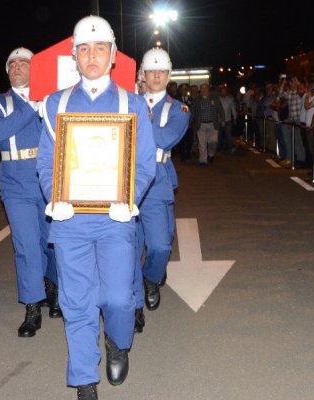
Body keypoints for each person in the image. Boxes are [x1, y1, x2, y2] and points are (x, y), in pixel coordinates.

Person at [36, 15, 156, 400]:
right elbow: (45, 162)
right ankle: (84, 378)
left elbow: (145, 163)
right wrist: (55, 198)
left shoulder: (131, 103)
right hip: (71, 221)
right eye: (84, 49)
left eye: (99, 48)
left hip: (115, 219)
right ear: (74, 56)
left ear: (113, 56)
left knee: (118, 298)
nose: (92, 55)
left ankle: (118, 343)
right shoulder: (57, 103)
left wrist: (129, 198)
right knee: (77, 301)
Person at [0, 46, 60, 339]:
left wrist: (44, 102)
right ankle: (32, 305)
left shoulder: (52, 99)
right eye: (12, 63)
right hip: (16, 182)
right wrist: (31, 107)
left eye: (23, 63)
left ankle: (53, 285)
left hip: (48, 179)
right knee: (26, 245)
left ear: (34, 69)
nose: (17, 67)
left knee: (52, 241)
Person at [132, 47, 189, 332]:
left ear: (168, 76)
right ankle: (133, 307)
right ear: (142, 74)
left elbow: (164, 139)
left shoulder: (177, 109)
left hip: (156, 181)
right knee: (127, 250)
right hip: (127, 181)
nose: (155, 76)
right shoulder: (127, 100)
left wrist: (139, 114)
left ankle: (151, 277)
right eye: (150, 71)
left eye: (161, 72)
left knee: (159, 246)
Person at [191, 82, 224, 165]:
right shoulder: (196, 100)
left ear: (208, 89)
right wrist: (190, 121)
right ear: (200, 90)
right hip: (201, 124)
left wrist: (222, 120)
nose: (204, 90)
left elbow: (220, 110)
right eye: (202, 89)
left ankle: (211, 154)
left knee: (213, 141)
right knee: (202, 143)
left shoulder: (215, 98)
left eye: (205, 88)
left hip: (213, 124)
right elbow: (192, 112)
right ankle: (203, 160)